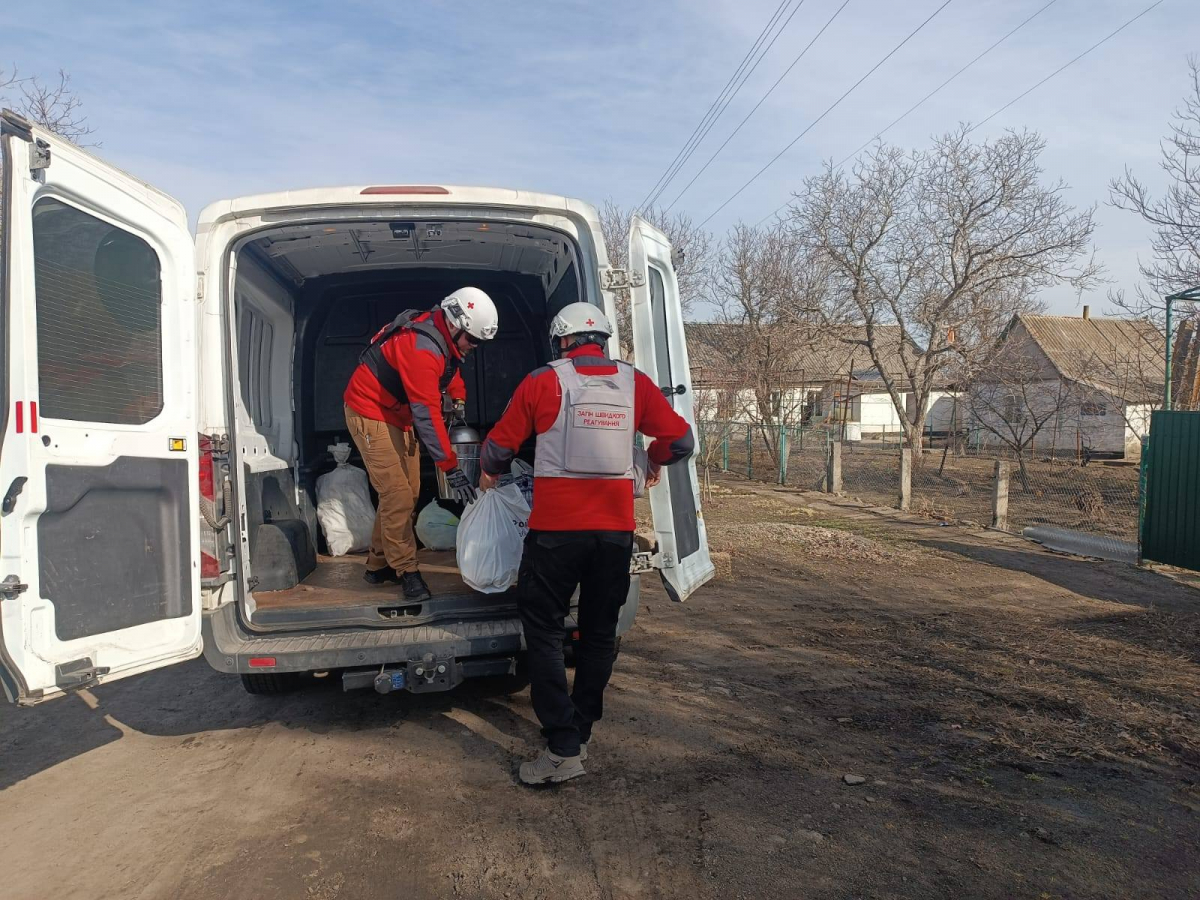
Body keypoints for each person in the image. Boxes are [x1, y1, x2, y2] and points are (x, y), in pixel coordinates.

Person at [477, 302, 693, 785]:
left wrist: (489, 474)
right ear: (604, 339)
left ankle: (562, 747)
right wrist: (649, 459)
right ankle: (581, 727)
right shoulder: (634, 383)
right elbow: (680, 442)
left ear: (562, 341)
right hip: (613, 535)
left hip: (555, 535)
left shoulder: (543, 381)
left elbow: (498, 448)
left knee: (546, 632)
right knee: (598, 635)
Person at [343, 287, 498, 601]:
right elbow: (426, 415)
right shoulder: (420, 349)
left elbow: (449, 370)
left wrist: (459, 399)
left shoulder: (442, 338)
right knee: (397, 494)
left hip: (398, 416)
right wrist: (450, 467)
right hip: (370, 410)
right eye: (474, 340)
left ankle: (377, 564)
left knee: (408, 490)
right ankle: (407, 570)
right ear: (456, 326)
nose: (475, 347)